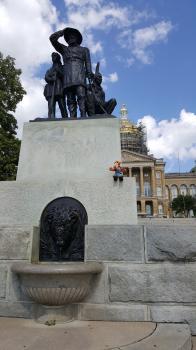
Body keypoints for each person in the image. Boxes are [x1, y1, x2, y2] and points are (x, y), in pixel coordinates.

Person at [50, 27, 93, 118]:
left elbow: (88, 63)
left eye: (73, 36)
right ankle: (72, 118)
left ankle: (83, 116)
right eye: (69, 36)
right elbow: (52, 39)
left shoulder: (84, 50)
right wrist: (61, 32)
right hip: (68, 78)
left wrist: (89, 73)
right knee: (70, 100)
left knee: (81, 96)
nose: (71, 37)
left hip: (80, 77)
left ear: (77, 38)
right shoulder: (64, 49)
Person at [44, 52, 68, 119]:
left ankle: (65, 117)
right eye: (52, 56)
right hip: (50, 89)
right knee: (51, 106)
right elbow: (46, 77)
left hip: (59, 88)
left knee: (62, 105)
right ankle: (51, 118)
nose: (53, 58)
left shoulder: (62, 67)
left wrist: (59, 72)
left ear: (58, 58)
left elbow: (65, 76)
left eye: (55, 56)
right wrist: (51, 78)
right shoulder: (49, 70)